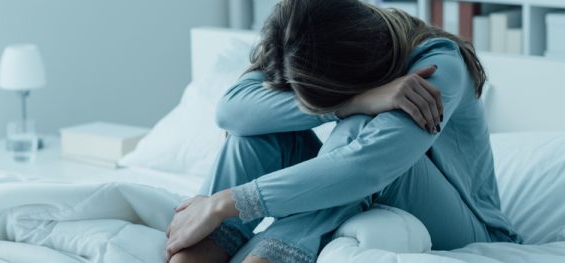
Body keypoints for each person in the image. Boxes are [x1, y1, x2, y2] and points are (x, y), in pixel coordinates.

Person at [166, 1, 521, 262]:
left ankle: (268, 255)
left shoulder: (439, 66)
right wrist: (351, 102)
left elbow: (367, 167)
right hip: (370, 171)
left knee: (357, 136)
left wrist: (226, 203)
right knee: (255, 136)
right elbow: (233, 110)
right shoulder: (308, 37)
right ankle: (200, 251)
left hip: (468, 229)